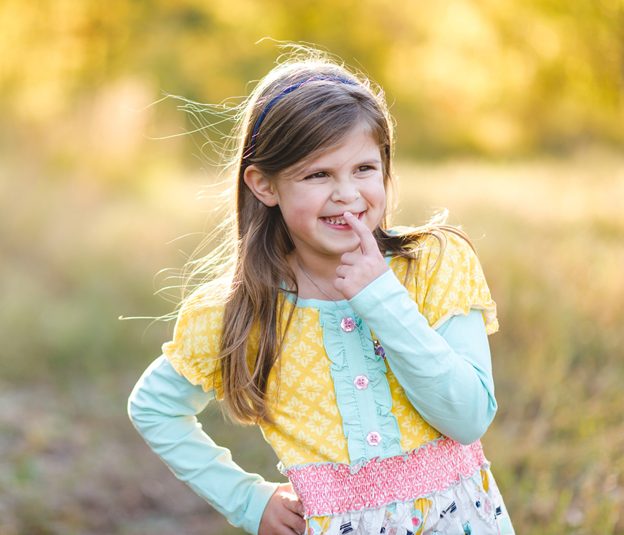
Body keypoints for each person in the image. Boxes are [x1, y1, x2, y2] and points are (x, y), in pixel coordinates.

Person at [128, 50, 516, 535]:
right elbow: (154, 407)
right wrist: (248, 501)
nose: (347, 194)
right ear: (265, 185)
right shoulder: (242, 309)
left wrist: (381, 297)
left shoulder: (433, 265)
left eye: (364, 169)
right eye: (318, 175)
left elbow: (469, 418)